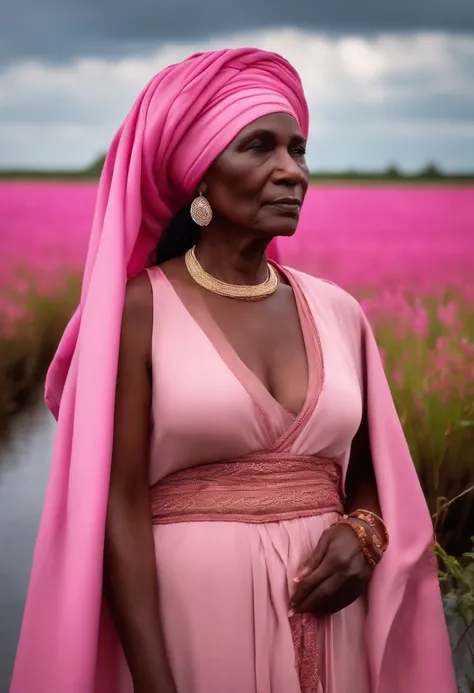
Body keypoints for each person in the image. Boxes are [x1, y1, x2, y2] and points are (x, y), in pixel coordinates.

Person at [10, 48, 456, 693]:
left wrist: (363, 535)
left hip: (337, 629)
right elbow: (119, 506)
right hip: (193, 629)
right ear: (199, 178)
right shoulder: (139, 311)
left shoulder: (339, 311)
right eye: (259, 148)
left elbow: (369, 477)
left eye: (298, 150)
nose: (291, 172)